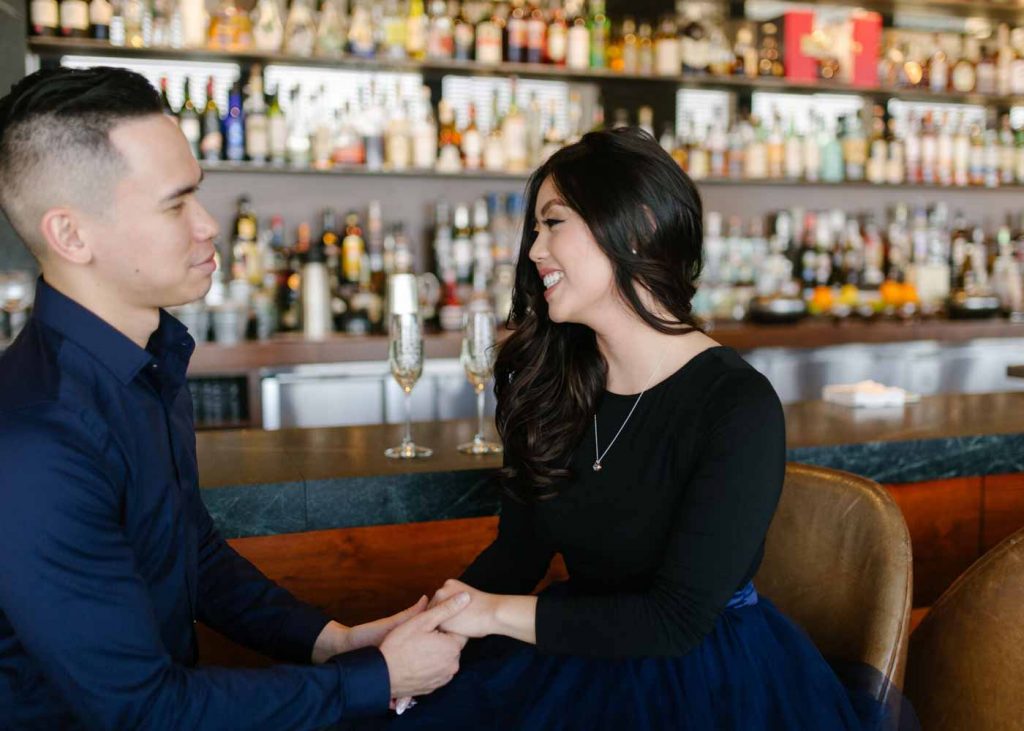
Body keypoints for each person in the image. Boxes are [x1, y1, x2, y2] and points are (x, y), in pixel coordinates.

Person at [379, 128, 904, 729]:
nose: (533, 251)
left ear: (638, 225)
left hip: (704, 681)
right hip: (571, 658)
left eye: (554, 224)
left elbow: (674, 621)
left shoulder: (736, 404)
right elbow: (517, 555)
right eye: (535, 229)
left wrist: (493, 615)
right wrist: (427, 625)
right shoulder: (552, 383)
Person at [0, 66, 470, 730]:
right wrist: (374, 678)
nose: (208, 225)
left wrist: (332, 639)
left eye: (199, 194)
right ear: (71, 234)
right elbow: (142, 710)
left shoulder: (145, 363)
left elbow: (193, 554)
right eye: (175, 203)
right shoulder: (37, 434)